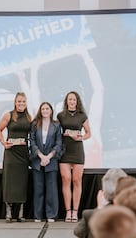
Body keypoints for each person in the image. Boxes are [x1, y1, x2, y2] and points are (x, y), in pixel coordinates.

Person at [0, 92, 32, 223]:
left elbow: (33, 134)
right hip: (11, 154)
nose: (21, 104)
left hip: (23, 154)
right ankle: (9, 213)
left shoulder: (29, 117)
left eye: (23, 101)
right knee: (9, 182)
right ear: (15, 102)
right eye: (19, 101)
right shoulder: (9, 115)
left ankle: (20, 214)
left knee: (22, 183)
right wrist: (3, 143)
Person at [57, 91, 91, 223]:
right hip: (64, 151)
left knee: (77, 181)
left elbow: (89, 133)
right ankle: (68, 212)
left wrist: (80, 137)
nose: (72, 101)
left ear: (77, 101)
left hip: (77, 151)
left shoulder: (82, 115)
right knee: (66, 179)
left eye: (74, 99)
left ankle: (75, 211)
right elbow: (55, 133)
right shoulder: (61, 116)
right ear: (66, 101)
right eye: (69, 99)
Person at [29, 102, 62, 222]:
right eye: (43, 109)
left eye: (47, 108)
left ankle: (51, 215)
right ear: (40, 111)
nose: (45, 110)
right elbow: (32, 142)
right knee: (38, 189)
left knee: (51, 189)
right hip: (37, 160)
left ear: (51, 111)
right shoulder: (34, 124)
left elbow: (59, 144)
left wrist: (48, 157)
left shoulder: (56, 125)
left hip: (51, 160)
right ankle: (38, 215)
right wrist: (41, 156)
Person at [74, 168, 127, 237]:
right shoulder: (132, 213)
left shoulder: (89, 215)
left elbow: (78, 232)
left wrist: (98, 210)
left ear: (103, 192)